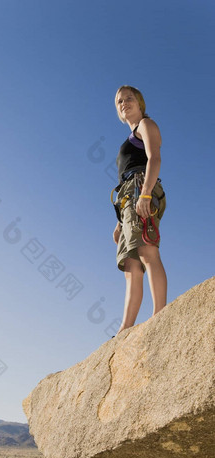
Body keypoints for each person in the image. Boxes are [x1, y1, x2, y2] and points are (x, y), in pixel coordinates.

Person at [112, 85, 167, 334]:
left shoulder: (146, 124)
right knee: (131, 265)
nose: (124, 103)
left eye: (129, 98)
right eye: (120, 101)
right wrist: (119, 223)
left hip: (140, 189)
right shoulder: (129, 135)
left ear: (140, 102)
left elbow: (154, 158)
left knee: (146, 252)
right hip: (127, 199)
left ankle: (160, 314)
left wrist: (145, 193)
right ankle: (126, 328)